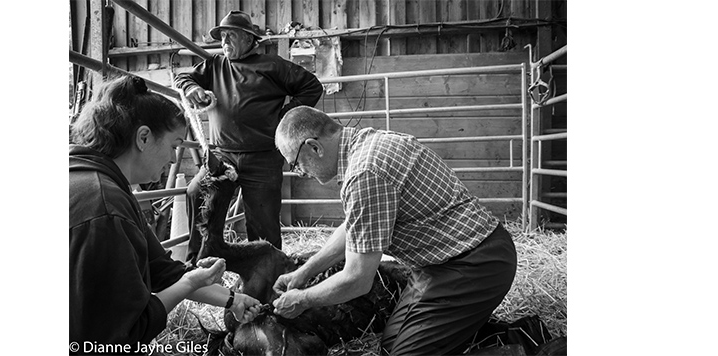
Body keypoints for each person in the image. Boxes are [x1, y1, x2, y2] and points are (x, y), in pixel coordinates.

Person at [271, 106, 518, 355]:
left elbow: (357, 280)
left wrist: (301, 300)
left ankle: (514, 348)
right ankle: (472, 331)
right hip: (439, 264)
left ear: (315, 147)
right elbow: (355, 228)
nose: (301, 174)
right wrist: (303, 273)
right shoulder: (367, 144)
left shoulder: (364, 173)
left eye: (296, 164)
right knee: (391, 345)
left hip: (475, 263)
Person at [69, 76, 261, 354]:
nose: (173, 159)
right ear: (143, 137)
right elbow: (115, 341)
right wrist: (189, 283)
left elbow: (163, 272)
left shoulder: (99, 185)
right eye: (174, 145)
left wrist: (232, 299)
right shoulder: (106, 207)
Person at [173, 10, 323, 265]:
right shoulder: (215, 65)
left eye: (231, 35)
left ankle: (267, 277)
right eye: (222, 36)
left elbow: (312, 86)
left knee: (263, 224)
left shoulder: (272, 65)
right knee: (196, 191)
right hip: (221, 155)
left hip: (263, 157)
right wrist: (193, 88)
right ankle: (198, 265)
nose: (224, 41)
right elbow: (182, 77)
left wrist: (284, 116)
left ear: (248, 38)